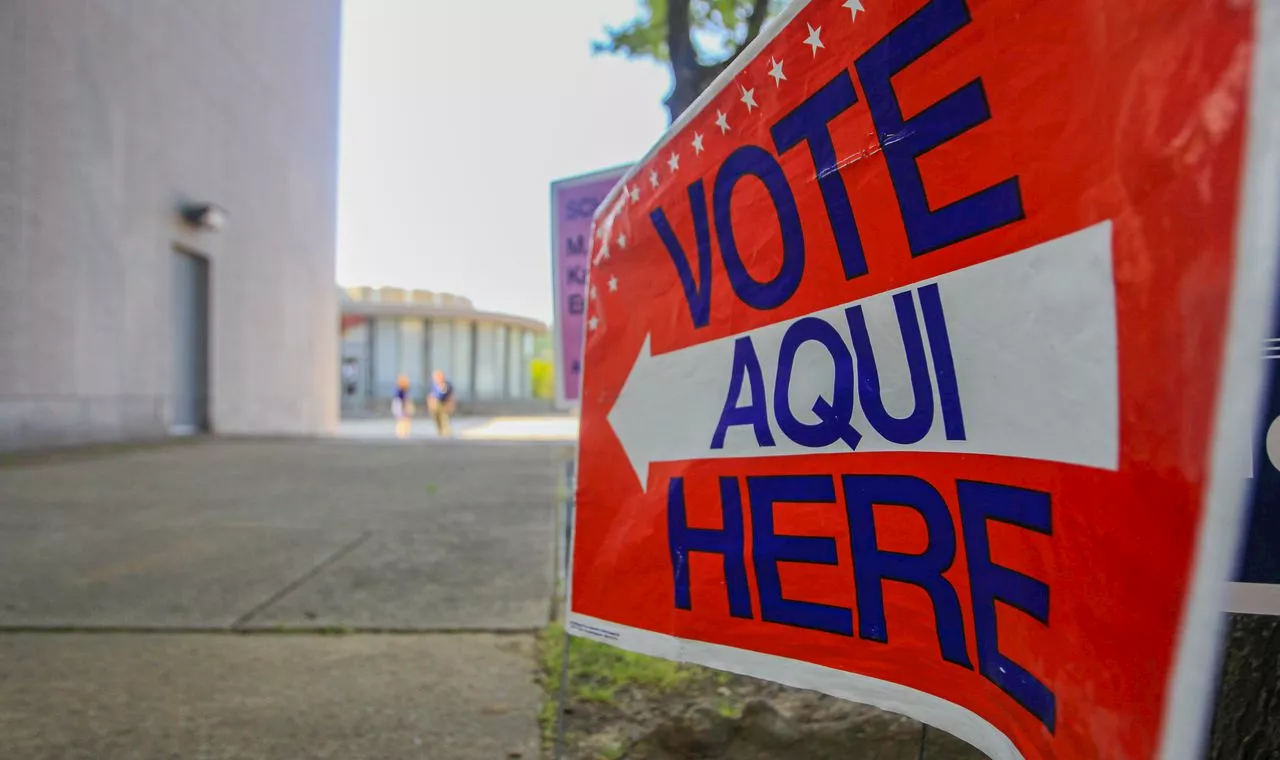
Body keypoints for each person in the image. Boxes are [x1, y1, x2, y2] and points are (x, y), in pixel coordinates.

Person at [426, 370, 456, 437]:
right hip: (436, 404)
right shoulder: (434, 386)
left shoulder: (446, 385)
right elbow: (430, 396)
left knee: (445, 420)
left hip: (444, 404)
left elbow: (450, 395)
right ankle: (440, 434)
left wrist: (451, 404)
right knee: (437, 420)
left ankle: (447, 434)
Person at [392, 374, 413, 439]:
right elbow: (400, 399)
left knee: (404, 419)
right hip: (401, 404)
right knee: (402, 419)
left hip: (401, 404)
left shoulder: (403, 390)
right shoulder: (400, 390)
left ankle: (403, 432)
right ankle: (402, 432)